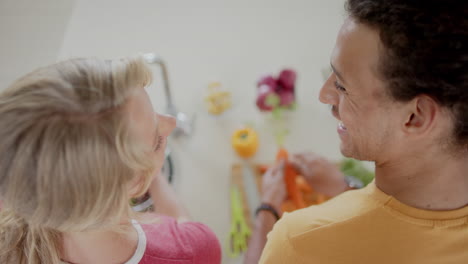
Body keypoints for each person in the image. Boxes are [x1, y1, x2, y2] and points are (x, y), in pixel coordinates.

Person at [247, 0, 468, 263]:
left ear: (414, 117)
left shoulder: (301, 243)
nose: (324, 95)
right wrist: (344, 188)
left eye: (341, 86)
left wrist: (266, 210)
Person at [0, 57, 222, 264]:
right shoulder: (191, 252)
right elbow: (185, 230)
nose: (171, 122)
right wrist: (259, 212)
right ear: (133, 186)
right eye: (157, 141)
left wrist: (146, 166)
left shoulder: (18, 191)